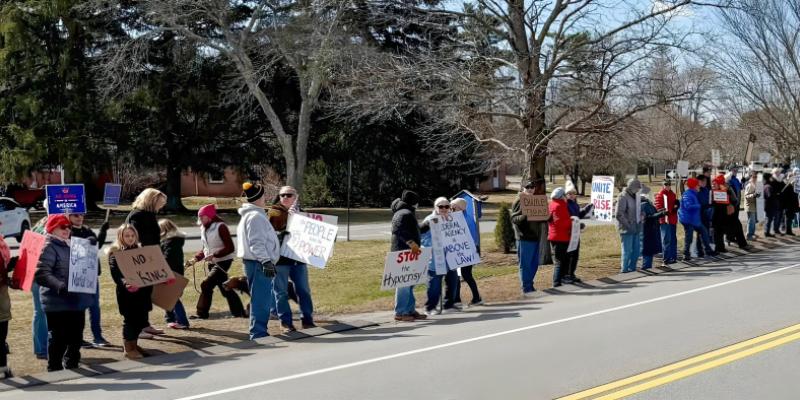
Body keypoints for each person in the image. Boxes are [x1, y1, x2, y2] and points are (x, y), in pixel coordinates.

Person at [34, 214, 94, 371]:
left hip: (75, 299)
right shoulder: (49, 246)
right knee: (59, 337)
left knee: (76, 336)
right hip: (57, 301)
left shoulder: (74, 245)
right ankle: (54, 367)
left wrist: (91, 249)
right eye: (62, 227)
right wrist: (59, 286)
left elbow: (88, 269)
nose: (67, 229)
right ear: (52, 229)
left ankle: (72, 363)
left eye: (68, 226)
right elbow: (41, 273)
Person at [269, 186, 317, 333]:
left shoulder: (303, 213)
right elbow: (272, 233)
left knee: (303, 290)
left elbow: (312, 234)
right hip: (280, 260)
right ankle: (286, 323)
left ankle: (307, 320)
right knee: (281, 292)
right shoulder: (274, 212)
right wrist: (289, 219)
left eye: (289, 195)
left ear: (296, 197)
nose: (285, 197)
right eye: (282, 195)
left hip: (298, 259)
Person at [237, 182, 280, 339]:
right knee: (262, 299)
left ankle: (258, 330)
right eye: (264, 195)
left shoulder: (252, 215)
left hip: (254, 262)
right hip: (258, 263)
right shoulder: (255, 216)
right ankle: (258, 332)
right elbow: (256, 243)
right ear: (260, 197)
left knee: (260, 297)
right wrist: (266, 261)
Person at [189, 205, 246, 320]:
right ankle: (239, 312)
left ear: (210, 216)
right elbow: (205, 248)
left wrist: (214, 255)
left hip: (223, 261)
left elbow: (230, 247)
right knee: (225, 287)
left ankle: (201, 313)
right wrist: (196, 258)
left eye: (202, 217)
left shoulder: (221, 227)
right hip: (212, 262)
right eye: (199, 217)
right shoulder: (203, 228)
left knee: (206, 284)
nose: (200, 219)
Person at [108, 224, 154, 359]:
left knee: (141, 320)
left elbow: (150, 269)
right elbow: (116, 274)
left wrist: (163, 277)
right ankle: (128, 348)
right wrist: (125, 283)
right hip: (127, 294)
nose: (130, 238)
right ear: (121, 237)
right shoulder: (115, 253)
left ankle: (134, 344)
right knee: (130, 320)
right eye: (127, 236)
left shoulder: (140, 251)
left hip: (143, 293)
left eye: (132, 235)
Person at [126, 188, 167, 338]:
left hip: (151, 256)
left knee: (146, 293)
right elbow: (135, 238)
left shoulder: (149, 215)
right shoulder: (137, 215)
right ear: (151, 201)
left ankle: (145, 324)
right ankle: (138, 328)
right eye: (160, 203)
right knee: (139, 294)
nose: (161, 206)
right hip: (140, 259)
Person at [68, 212, 111, 348]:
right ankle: (78, 338)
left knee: (94, 307)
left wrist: (102, 232)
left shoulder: (86, 229)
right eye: (75, 215)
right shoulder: (67, 231)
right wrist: (87, 241)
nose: (79, 217)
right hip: (77, 274)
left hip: (91, 273)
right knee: (79, 308)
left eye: (81, 215)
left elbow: (96, 246)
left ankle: (97, 336)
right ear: (68, 217)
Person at [390, 190, 427, 322]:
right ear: (413, 202)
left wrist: (428, 225)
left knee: (410, 282)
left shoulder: (406, 212)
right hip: (403, 252)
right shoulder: (404, 213)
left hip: (409, 252)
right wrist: (412, 244)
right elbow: (399, 230)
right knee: (403, 283)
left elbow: (414, 229)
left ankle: (409, 309)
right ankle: (401, 312)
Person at [421, 197, 459, 315]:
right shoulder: (429, 220)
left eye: (446, 206)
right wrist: (435, 245)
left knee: (453, 282)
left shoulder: (453, 219)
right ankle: (430, 307)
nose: (444, 209)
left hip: (451, 257)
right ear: (435, 207)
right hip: (436, 259)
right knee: (434, 285)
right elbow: (422, 238)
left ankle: (449, 304)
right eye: (440, 206)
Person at [511, 179, 547, 296]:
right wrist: (525, 215)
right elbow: (514, 219)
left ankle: (529, 284)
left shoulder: (536, 200)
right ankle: (526, 288)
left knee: (534, 264)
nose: (530, 189)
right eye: (528, 187)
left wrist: (545, 215)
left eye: (532, 187)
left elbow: (540, 218)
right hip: (524, 237)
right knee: (525, 264)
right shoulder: (519, 200)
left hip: (535, 237)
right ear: (523, 188)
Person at [450, 198, 482, 306]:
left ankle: (476, 298)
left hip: (466, 251)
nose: (451, 209)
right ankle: (457, 299)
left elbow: (470, 237)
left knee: (466, 274)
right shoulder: (457, 218)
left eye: (453, 208)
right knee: (458, 275)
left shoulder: (465, 220)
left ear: (460, 208)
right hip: (459, 251)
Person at [159, 219, 190, 330]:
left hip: (171, 273)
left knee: (173, 298)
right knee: (169, 297)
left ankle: (182, 321)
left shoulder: (169, 242)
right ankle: (171, 319)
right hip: (177, 272)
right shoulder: (175, 241)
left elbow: (168, 258)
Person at [679, 178, 716, 261]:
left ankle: (708, 250)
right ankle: (686, 254)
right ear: (694, 186)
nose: (699, 186)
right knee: (689, 237)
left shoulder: (694, 193)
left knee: (704, 231)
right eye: (697, 185)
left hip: (694, 219)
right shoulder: (687, 194)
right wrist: (700, 206)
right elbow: (688, 206)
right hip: (688, 220)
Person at [564, 181, 593, 283]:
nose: (572, 195)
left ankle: (572, 274)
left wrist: (587, 208)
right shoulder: (565, 204)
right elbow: (567, 219)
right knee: (569, 254)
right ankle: (566, 274)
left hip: (576, 233)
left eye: (573, 193)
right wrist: (576, 224)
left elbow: (578, 215)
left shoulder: (575, 204)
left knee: (575, 255)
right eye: (569, 194)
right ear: (566, 194)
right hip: (568, 233)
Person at [30, 212, 49, 360]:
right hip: (43, 275)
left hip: (36, 274)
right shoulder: (49, 226)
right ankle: (43, 348)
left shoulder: (38, 225)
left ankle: (41, 348)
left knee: (40, 312)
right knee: (42, 312)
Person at [616, 178, 642, 273]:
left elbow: (637, 209)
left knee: (636, 251)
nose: (638, 190)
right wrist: (628, 225)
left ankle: (632, 269)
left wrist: (642, 214)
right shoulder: (622, 196)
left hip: (636, 227)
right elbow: (619, 214)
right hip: (626, 229)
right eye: (637, 188)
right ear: (632, 187)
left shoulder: (636, 196)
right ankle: (624, 270)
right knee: (627, 251)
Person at [549, 188, 573, 286]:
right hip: (561, 237)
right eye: (565, 195)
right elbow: (562, 222)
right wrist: (572, 222)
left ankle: (561, 279)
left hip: (553, 236)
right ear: (561, 196)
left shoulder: (551, 204)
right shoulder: (560, 206)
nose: (566, 197)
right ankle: (556, 282)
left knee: (562, 259)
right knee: (559, 261)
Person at [640, 186, 666, 270]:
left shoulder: (647, 204)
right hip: (647, 230)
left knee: (649, 250)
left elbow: (654, 212)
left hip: (650, 230)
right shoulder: (644, 205)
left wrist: (662, 211)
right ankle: (646, 267)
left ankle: (647, 266)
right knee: (647, 250)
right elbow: (649, 217)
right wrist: (661, 213)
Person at [0, 231, 14, 378]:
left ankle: (3, 368)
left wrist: (8, 267)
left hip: (2, 299)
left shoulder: (1, 245)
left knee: (2, 336)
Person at [654, 180, 679, 264]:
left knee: (673, 240)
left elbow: (674, 207)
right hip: (664, 221)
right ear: (663, 185)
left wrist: (676, 206)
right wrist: (663, 212)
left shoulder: (673, 194)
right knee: (666, 240)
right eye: (666, 184)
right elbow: (657, 207)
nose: (668, 186)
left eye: (669, 184)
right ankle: (666, 259)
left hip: (672, 220)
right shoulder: (660, 195)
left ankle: (673, 257)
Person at [695, 175, 712, 257]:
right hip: (699, 213)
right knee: (700, 233)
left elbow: (709, 199)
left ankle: (706, 249)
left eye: (705, 181)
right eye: (703, 181)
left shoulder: (706, 189)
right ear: (699, 182)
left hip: (707, 213)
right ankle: (700, 250)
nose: (705, 183)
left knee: (706, 231)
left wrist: (710, 204)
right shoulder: (696, 190)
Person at [780, 172, 798, 236]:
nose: (792, 177)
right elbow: (784, 195)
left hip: (791, 205)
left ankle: (788, 231)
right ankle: (787, 231)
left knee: (789, 219)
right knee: (787, 219)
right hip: (787, 205)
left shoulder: (791, 184)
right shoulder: (786, 184)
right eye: (791, 176)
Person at [743, 173, 759, 240]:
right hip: (749, 206)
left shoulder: (755, 185)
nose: (755, 178)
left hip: (753, 205)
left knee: (753, 221)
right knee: (751, 221)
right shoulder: (750, 185)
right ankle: (749, 235)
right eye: (754, 177)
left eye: (756, 177)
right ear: (751, 178)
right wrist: (754, 195)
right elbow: (747, 196)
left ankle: (752, 233)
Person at [763, 173, 779, 237]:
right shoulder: (768, 186)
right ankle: (767, 232)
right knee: (769, 219)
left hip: (769, 205)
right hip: (769, 206)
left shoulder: (767, 185)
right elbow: (769, 196)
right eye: (770, 177)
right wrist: (776, 195)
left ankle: (767, 232)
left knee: (769, 219)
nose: (771, 178)